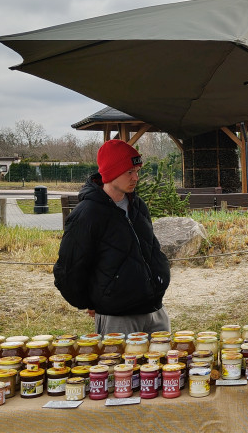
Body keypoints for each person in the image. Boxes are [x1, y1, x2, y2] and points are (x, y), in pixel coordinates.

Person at [54, 139, 171, 335]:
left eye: (137, 171)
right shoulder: (87, 213)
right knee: (120, 366)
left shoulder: (138, 206)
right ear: (111, 172)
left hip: (156, 312)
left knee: (166, 366)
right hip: (118, 319)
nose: (136, 178)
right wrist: (88, 302)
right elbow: (69, 269)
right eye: (129, 172)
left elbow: (151, 249)